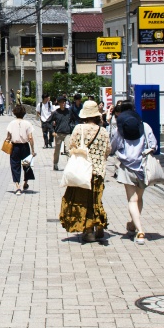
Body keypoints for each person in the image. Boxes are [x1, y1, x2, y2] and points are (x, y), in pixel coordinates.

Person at [59, 100, 110, 243]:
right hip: (98, 171)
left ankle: (88, 231)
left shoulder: (79, 128)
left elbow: (71, 147)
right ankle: (98, 224)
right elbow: (108, 150)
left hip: (82, 171)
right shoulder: (104, 131)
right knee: (96, 199)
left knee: (82, 201)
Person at [109, 101, 158, 245]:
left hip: (127, 168)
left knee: (132, 200)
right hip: (143, 167)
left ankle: (140, 230)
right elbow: (153, 144)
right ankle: (133, 224)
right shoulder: (145, 126)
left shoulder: (120, 129)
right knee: (139, 198)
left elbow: (113, 147)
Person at [4, 104, 36, 194]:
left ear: (14, 113)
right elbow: (30, 138)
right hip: (25, 146)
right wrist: (32, 150)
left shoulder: (11, 123)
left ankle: (18, 186)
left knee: (15, 165)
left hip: (15, 147)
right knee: (26, 165)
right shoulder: (28, 123)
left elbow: (8, 137)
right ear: (24, 113)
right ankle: (25, 182)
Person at [44, 96, 76, 170]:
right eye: (62, 102)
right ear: (59, 103)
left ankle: (69, 166)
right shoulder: (56, 113)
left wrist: (72, 128)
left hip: (67, 133)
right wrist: (52, 131)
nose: (63, 103)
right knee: (57, 150)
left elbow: (74, 120)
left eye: (64, 102)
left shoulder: (69, 112)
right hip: (58, 133)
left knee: (68, 150)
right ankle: (55, 164)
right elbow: (48, 122)